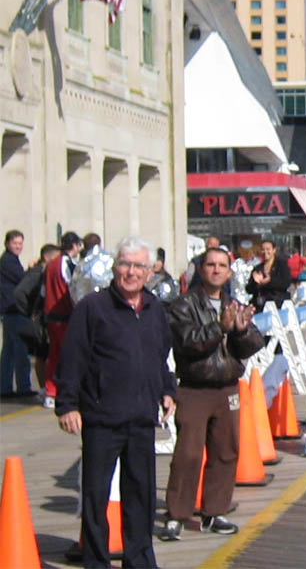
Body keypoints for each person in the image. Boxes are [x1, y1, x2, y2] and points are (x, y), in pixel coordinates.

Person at [54, 236, 177, 568]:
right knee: (96, 497)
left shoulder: (154, 309)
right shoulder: (92, 308)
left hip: (141, 419)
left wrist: (167, 390)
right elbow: (72, 359)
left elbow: (161, 357)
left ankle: (139, 560)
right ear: (114, 267)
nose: (131, 272)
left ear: (151, 271)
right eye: (125, 264)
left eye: (139, 266)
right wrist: (67, 405)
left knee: (140, 497)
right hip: (101, 417)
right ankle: (96, 560)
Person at [160, 247, 264, 542]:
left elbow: (253, 344)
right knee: (188, 454)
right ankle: (177, 514)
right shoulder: (183, 306)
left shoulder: (234, 303)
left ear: (229, 272)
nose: (216, 270)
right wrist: (219, 328)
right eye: (210, 265)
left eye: (222, 265)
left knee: (226, 451)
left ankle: (214, 511)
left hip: (227, 386)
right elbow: (188, 343)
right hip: (195, 387)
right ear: (200, 269)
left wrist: (242, 331)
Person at [42, 231, 83, 408]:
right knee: (68, 356)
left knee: (54, 355)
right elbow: (71, 287)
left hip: (50, 315)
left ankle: (50, 392)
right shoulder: (67, 263)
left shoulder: (50, 264)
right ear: (75, 246)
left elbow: (44, 291)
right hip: (64, 315)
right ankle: (67, 391)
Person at [13, 244, 61, 390]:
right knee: (42, 354)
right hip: (40, 320)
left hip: (44, 318)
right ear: (47, 257)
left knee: (45, 354)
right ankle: (43, 388)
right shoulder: (38, 273)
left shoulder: (46, 272)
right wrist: (30, 312)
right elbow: (19, 293)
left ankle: (46, 387)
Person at [1, 230, 33, 397]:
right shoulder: (8, 261)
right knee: (19, 350)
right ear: (7, 243)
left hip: (9, 311)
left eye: (20, 243)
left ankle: (5, 387)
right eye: (15, 243)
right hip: (13, 310)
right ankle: (23, 387)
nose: (18, 246)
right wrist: (33, 269)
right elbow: (22, 280)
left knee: (9, 351)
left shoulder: (10, 260)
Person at [245, 240, 292, 312]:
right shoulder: (258, 268)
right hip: (260, 305)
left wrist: (269, 281)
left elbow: (286, 283)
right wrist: (255, 282)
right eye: (263, 249)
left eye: (268, 249)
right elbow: (249, 289)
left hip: (278, 304)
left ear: (274, 250)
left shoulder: (281, 264)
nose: (265, 252)